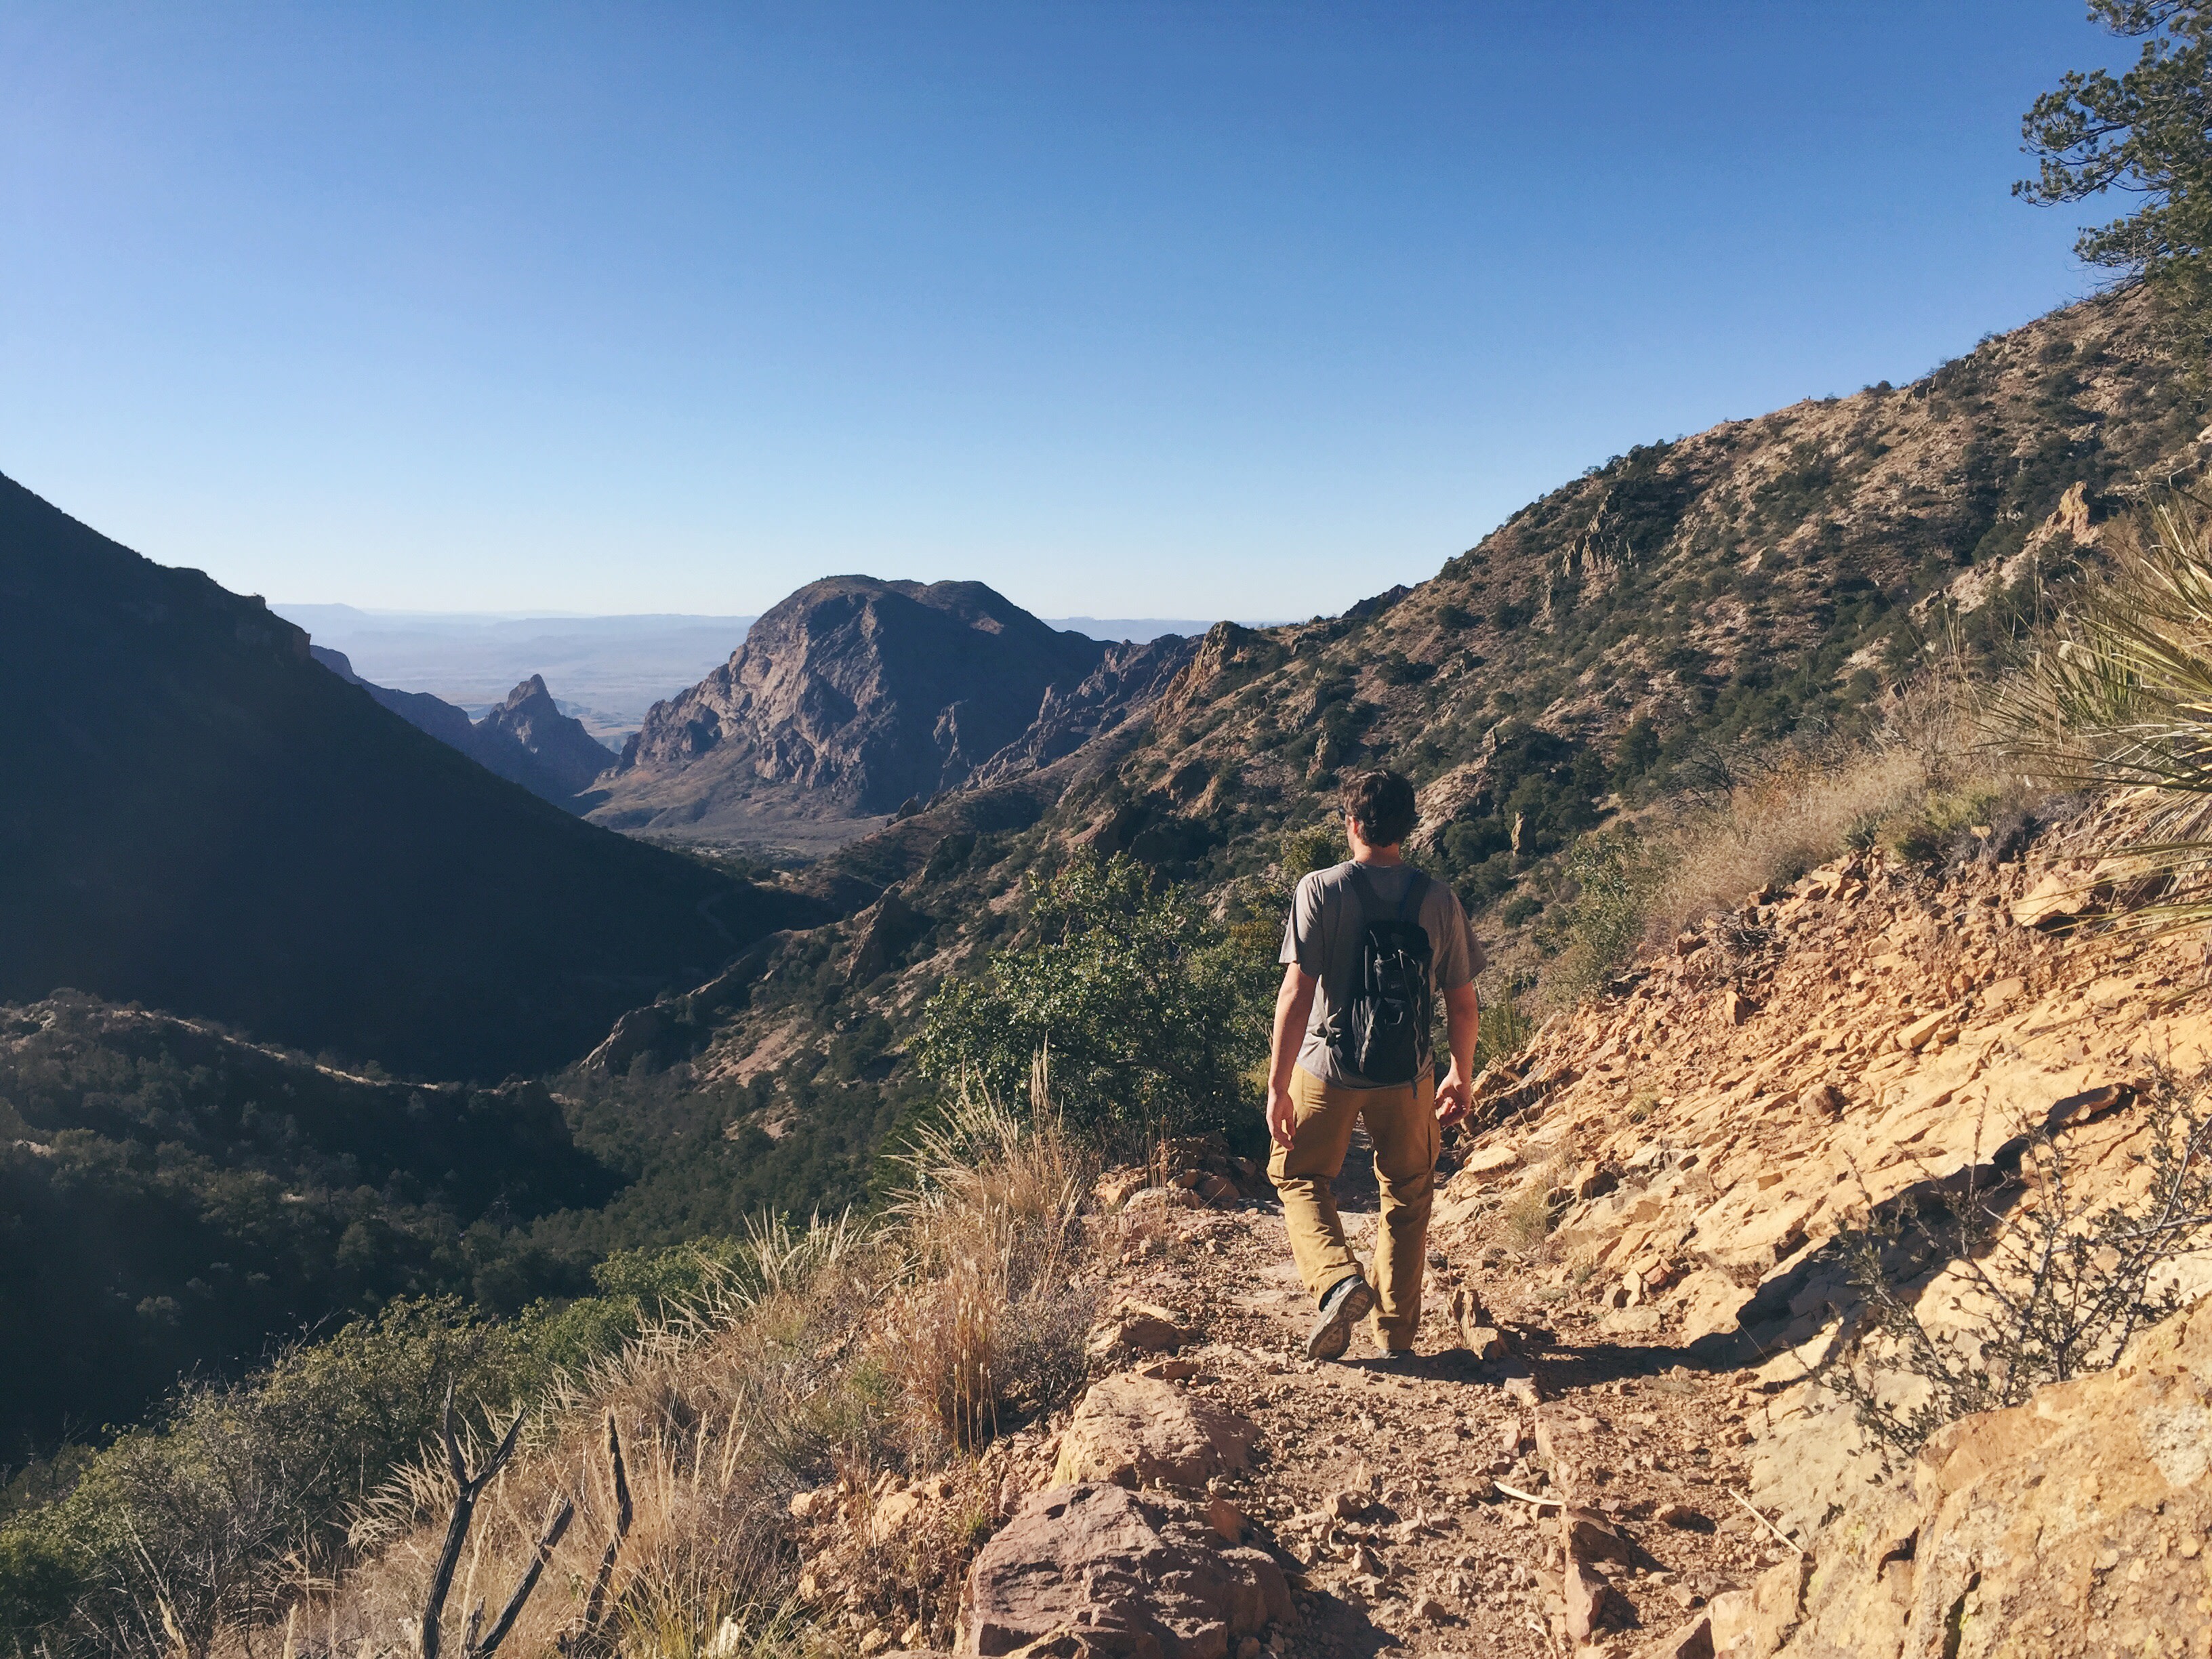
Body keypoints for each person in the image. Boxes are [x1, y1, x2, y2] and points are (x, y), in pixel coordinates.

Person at [1266, 769, 1484, 1361]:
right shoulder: (1439, 899)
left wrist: (1278, 1086)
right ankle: (1395, 1335)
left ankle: (1337, 1280)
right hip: (1409, 1076)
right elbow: (1463, 1003)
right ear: (1407, 827)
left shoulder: (1320, 889)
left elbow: (1297, 994)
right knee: (1409, 1196)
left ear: (1353, 824)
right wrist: (1460, 1074)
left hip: (1328, 1069)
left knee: (1299, 1176)